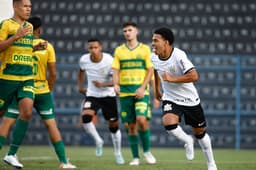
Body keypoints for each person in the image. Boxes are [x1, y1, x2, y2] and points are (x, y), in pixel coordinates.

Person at [1, 16, 77, 169]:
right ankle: (63, 161)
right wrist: (49, 88)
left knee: (8, 122)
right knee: (51, 125)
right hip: (41, 89)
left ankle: (11, 153)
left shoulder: (20, 44)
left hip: (20, 86)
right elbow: (53, 73)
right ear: (40, 29)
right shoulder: (46, 46)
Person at [151, 27, 217, 170]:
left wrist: (172, 79)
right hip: (170, 98)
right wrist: (156, 90)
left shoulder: (179, 55)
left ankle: (211, 163)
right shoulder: (153, 56)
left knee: (200, 134)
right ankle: (187, 140)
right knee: (169, 124)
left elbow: (194, 76)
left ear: (166, 42)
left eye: (156, 40)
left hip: (190, 100)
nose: (153, 43)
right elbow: (156, 70)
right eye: (152, 40)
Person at [0, 0, 45, 166]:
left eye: (30, 6)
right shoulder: (6, 25)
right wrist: (15, 36)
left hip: (26, 78)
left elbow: (22, 49)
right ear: (15, 7)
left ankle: (11, 153)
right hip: (7, 78)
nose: (28, 9)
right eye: (25, 6)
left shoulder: (30, 27)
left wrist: (35, 48)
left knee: (26, 112)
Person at [112, 22, 156, 166]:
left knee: (142, 120)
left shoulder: (145, 49)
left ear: (136, 31)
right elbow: (116, 70)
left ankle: (147, 151)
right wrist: (116, 84)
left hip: (140, 91)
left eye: (130, 30)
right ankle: (135, 157)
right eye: (124, 31)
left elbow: (150, 71)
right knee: (130, 126)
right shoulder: (119, 51)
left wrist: (143, 88)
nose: (127, 33)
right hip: (125, 93)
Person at [77, 38, 124, 164]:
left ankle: (117, 152)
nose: (93, 50)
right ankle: (98, 140)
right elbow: (81, 71)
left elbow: (116, 80)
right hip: (92, 95)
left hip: (108, 96)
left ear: (100, 47)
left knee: (113, 126)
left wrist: (102, 84)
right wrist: (80, 87)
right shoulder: (84, 59)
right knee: (86, 118)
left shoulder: (109, 60)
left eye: (95, 47)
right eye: (90, 48)